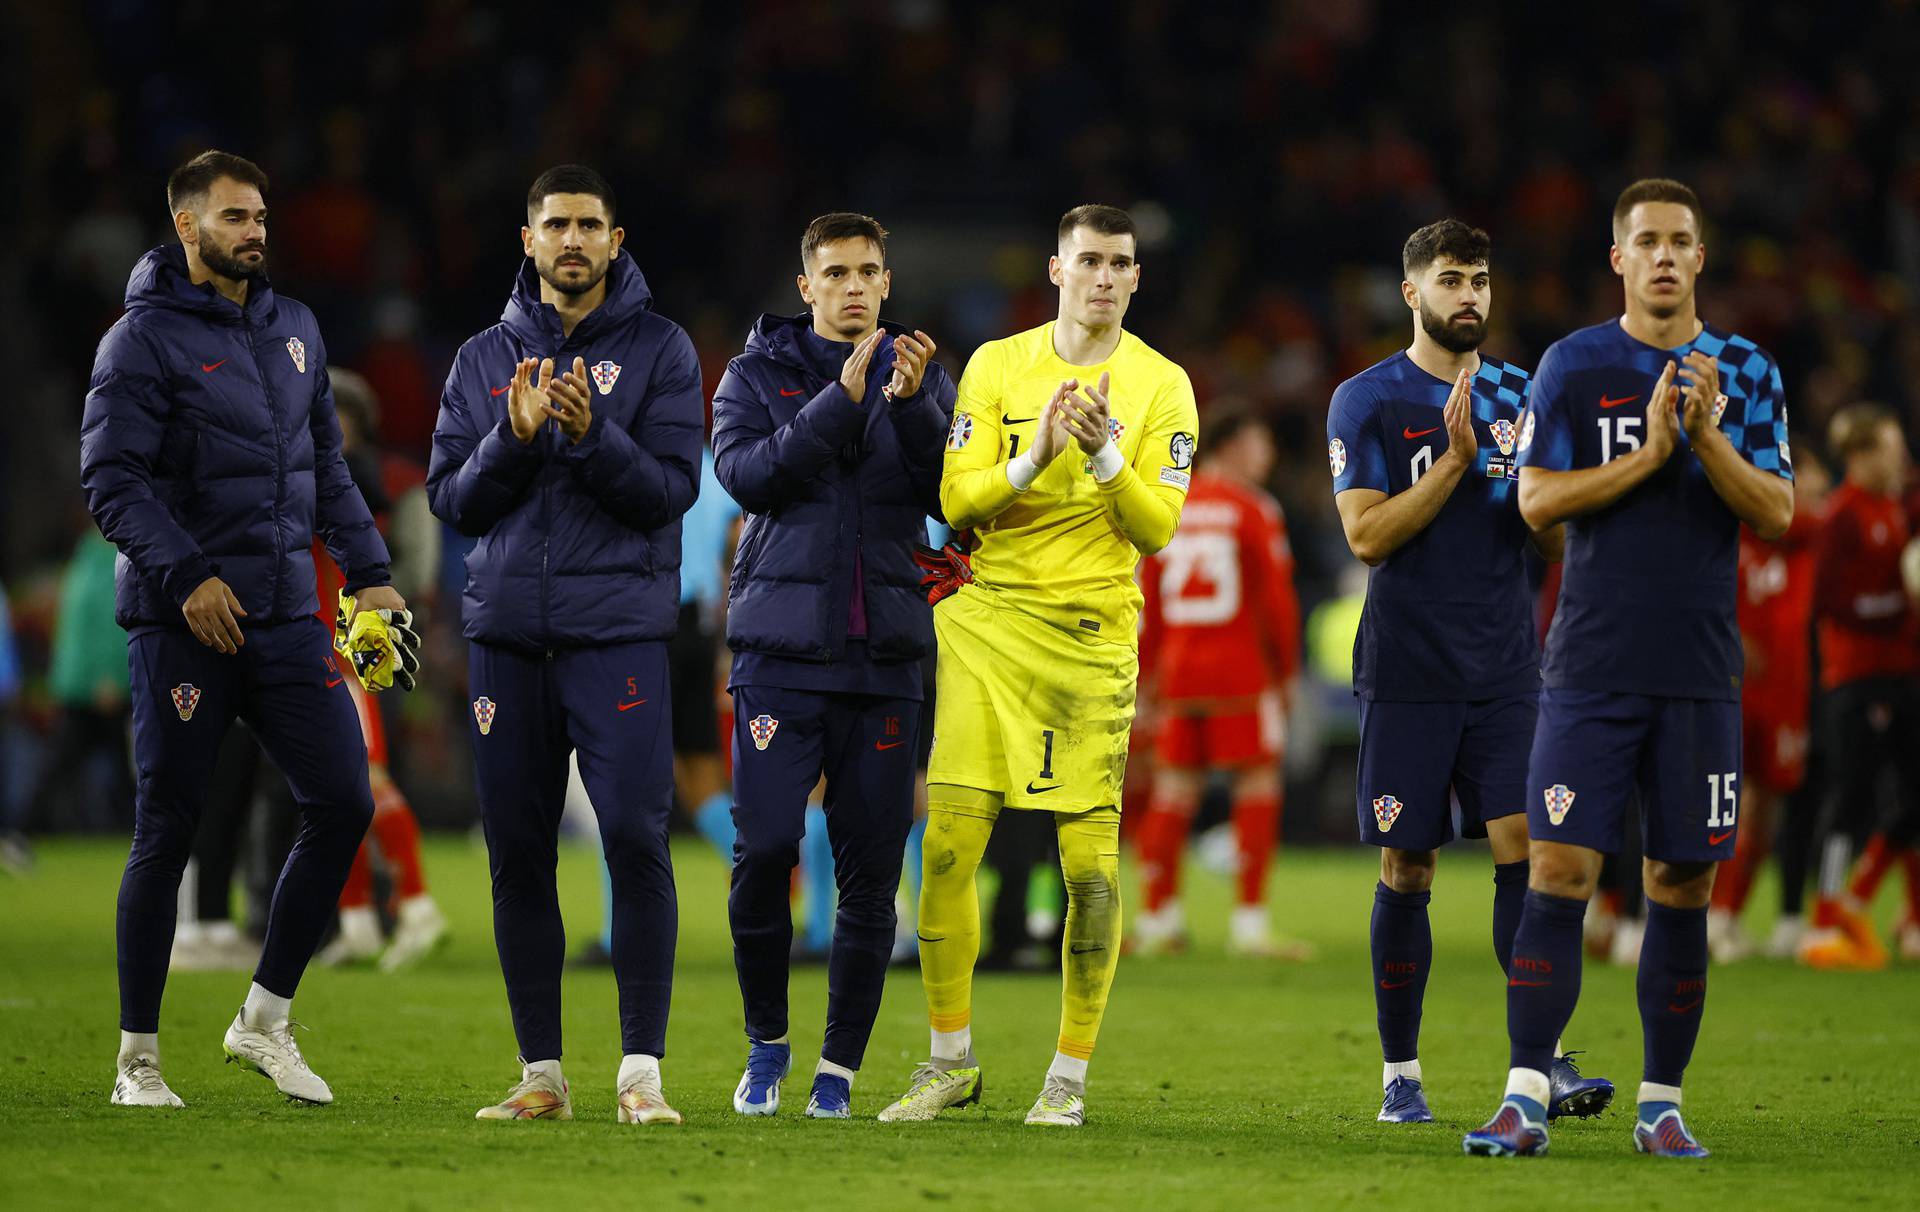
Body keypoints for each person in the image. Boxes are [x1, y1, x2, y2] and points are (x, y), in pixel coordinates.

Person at [1464, 179, 1794, 1159]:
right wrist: (1651, 456)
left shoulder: (1744, 369)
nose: (1661, 255)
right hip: (1590, 666)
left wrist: (1702, 440)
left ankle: (1661, 1105)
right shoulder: (1574, 365)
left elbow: (1775, 509)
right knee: (1559, 865)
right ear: (1618, 258)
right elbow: (1534, 504)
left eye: (1678, 242)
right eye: (1643, 240)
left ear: (1700, 259)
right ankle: (1525, 1095)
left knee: (1680, 883)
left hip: (1697, 670)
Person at [80, 150, 406, 1108]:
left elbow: (326, 472)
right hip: (183, 624)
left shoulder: (296, 329)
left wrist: (373, 576)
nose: (254, 231)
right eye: (233, 217)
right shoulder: (138, 341)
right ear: (186, 226)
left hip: (284, 619)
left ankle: (263, 1020)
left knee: (344, 800)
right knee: (168, 829)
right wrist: (186, 577)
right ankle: (137, 1059)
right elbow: (111, 483)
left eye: (260, 215)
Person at [879, 204, 1197, 1128]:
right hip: (985, 627)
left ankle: (1067, 1078)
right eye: (1088, 260)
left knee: (1088, 870)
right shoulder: (994, 366)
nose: (1104, 276)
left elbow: (1155, 530)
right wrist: (1040, 452)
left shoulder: (1162, 386)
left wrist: (1102, 453)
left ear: (1137, 279)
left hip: (1090, 638)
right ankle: (948, 1062)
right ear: (1057, 271)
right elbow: (955, 494)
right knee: (945, 846)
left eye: (1120, 263)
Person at [427, 164, 702, 1124]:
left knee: (633, 837)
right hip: (507, 639)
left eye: (591, 223)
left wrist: (590, 438)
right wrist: (512, 434)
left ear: (616, 241)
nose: (574, 239)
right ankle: (541, 1074)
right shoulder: (479, 360)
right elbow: (452, 499)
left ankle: (641, 1075)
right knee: (518, 855)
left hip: (616, 637)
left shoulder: (664, 352)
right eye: (558, 225)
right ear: (529, 239)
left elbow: (673, 491)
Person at [1327, 220, 1609, 1125]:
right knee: (1409, 869)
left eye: (1481, 280)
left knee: (1529, 853)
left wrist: (1549, 488)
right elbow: (1367, 535)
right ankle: (1400, 1076)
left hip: (1506, 671)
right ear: (1412, 294)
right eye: (1452, 279)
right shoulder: (1366, 401)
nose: (1471, 296)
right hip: (1408, 671)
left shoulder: (1528, 395)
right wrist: (1454, 462)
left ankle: (1544, 1063)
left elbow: (1556, 537)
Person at [711, 212, 955, 1118]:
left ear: (886, 283)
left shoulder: (924, 375)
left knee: (870, 875)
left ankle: (836, 1073)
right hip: (781, 654)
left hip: (886, 656)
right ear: (806, 287)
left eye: (869, 272)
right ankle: (767, 1044)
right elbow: (746, 476)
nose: (854, 287)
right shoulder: (754, 376)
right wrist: (840, 404)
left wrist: (917, 402)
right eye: (836, 274)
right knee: (765, 848)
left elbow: (948, 495)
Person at [1134, 403, 1308, 959]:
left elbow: (1147, 603)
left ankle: (1159, 918)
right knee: (1257, 786)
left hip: (1180, 673)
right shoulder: (1254, 508)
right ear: (1232, 445)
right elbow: (1276, 601)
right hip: (1240, 674)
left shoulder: (1168, 505)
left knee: (1172, 792)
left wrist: (1146, 676)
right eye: (1261, 443)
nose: (1269, 455)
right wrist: (1286, 673)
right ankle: (1249, 926)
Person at [312, 368, 447, 971]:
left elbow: (412, 566)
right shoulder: (322, 470)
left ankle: (416, 906)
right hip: (324, 635)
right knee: (328, 788)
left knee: (365, 775)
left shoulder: (355, 475)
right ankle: (360, 917)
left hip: (354, 637)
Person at [1799, 404, 1920, 968]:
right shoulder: (1842, 515)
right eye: (1891, 451)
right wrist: (1895, 607)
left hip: (1901, 673)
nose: (1900, 460)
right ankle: (1824, 920)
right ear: (1860, 455)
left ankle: (1861, 903)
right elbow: (1825, 600)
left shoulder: (1896, 508)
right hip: (1854, 678)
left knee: (1911, 802)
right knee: (1848, 799)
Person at [1708, 453, 1828, 961]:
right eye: (1812, 480)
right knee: (1736, 804)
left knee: (1768, 806)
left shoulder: (1805, 533)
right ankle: (1713, 914)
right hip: (1734, 688)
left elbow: (1813, 516)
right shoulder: (1736, 525)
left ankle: (1730, 914)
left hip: (1786, 688)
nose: (1819, 491)